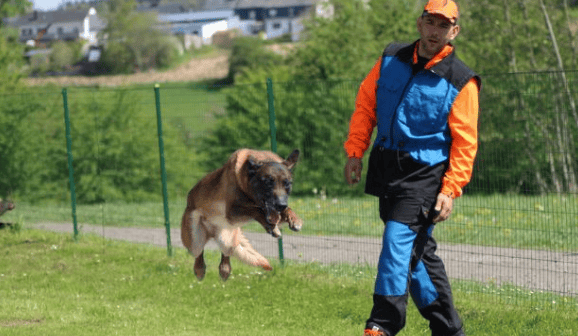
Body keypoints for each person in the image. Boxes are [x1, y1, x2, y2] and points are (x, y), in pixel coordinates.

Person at [343, 1, 480, 335]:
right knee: (416, 255)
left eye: (443, 26)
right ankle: (448, 329)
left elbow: (465, 143)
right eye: (430, 22)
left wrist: (450, 189)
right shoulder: (390, 58)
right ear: (420, 24)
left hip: (425, 176)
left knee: (397, 239)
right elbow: (366, 104)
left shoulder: (461, 81)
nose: (435, 31)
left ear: (454, 32)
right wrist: (355, 150)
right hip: (387, 168)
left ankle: (383, 323)